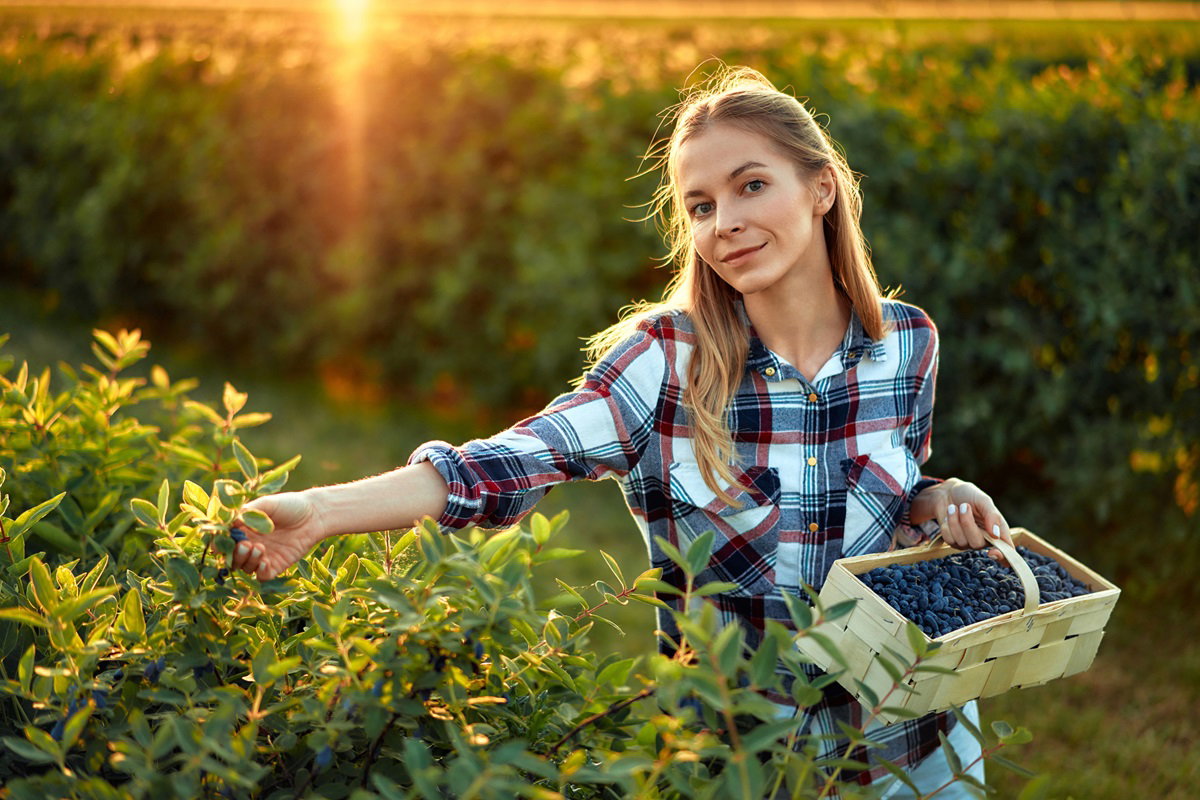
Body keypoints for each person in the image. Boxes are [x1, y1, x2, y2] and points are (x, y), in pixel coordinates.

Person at [227, 65, 1012, 797]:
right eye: (701, 206)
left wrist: (938, 496)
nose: (726, 223)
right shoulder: (666, 364)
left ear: (821, 189)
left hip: (919, 749)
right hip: (746, 768)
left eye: (751, 185)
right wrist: (322, 512)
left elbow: (892, 491)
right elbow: (507, 463)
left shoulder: (906, 343)